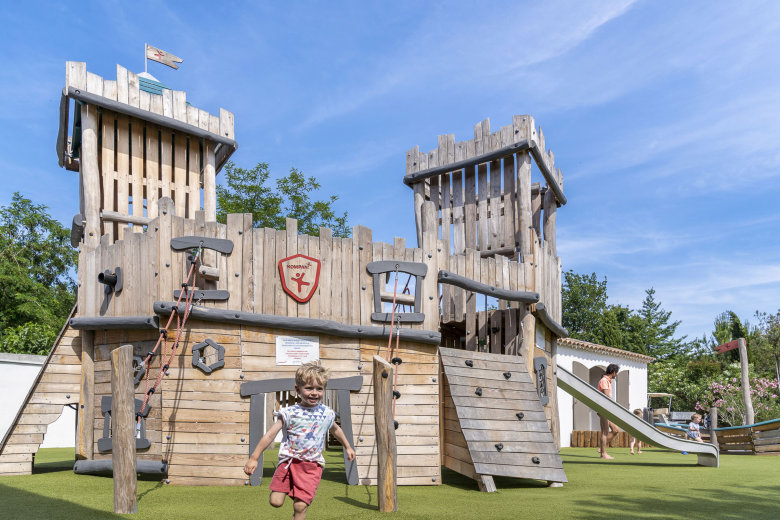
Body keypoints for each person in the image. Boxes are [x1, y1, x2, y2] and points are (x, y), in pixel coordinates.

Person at [244, 363, 356, 520]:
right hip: (288, 462)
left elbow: (336, 430)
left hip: (312, 464)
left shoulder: (327, 414)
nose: (314, 393)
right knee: (275, 501)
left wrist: (348, 446)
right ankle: (295, 491)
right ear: (298, 389)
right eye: (309, 388)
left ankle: (300, 503)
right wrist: (254, 457)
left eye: (319, 389)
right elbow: (270, 435)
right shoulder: (289, 413)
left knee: (300, 506)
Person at [597, 363, 621, 459]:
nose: (617, 375)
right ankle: (603, 454)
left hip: (606, 409)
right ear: (613, 372)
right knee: (605, 432)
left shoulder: (607, 381)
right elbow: (607, 396)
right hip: (604, 408)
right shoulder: (604, 380)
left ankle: (601, 448)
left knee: (615, 430)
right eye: (617, 372)